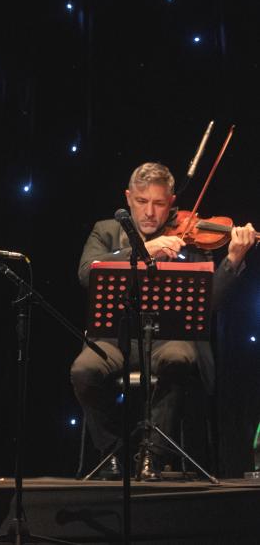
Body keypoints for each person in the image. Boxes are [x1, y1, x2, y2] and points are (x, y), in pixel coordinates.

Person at [71, 162, 256, 480]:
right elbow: (88, 273)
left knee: (177, 360)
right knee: (83, 370)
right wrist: (143, 250)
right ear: (128, 198)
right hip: (115, 338)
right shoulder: (105, 230)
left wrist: (233, 259)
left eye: (159, 203)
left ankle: (153, 455)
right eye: (142, 201)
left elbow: (210, 304)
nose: (149, 212)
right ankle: (112, 451)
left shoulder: (188, 234)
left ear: (171, 202)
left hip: (169, 337)